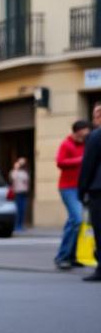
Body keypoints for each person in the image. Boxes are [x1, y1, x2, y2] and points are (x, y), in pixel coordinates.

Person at [55, 121, 89, 269]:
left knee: (75, 222)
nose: (85, 137)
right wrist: (80, 160)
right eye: (83, 134)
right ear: (77, 132)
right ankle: (62, 256)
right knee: (77, 219)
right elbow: (60, 162)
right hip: (67, 188)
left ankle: (71, 256)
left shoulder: (86, 145)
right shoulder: (66, 144)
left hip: (81, 188)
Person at [76, 115, 101, 281]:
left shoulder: (96, 136)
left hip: (99, 191)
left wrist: (82, 189)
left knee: (100, 230)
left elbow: (88, 164)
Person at [9, 157, 30, 231]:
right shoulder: (14, 172)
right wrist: (16, 169)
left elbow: (27, 182)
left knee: (23, 210)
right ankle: (17, 226)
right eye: (21, 163)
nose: (22, 164)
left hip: (24, 193)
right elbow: (12, 178)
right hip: (17, 193)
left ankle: (21, 225)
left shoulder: (25, 172)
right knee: (17, 210)